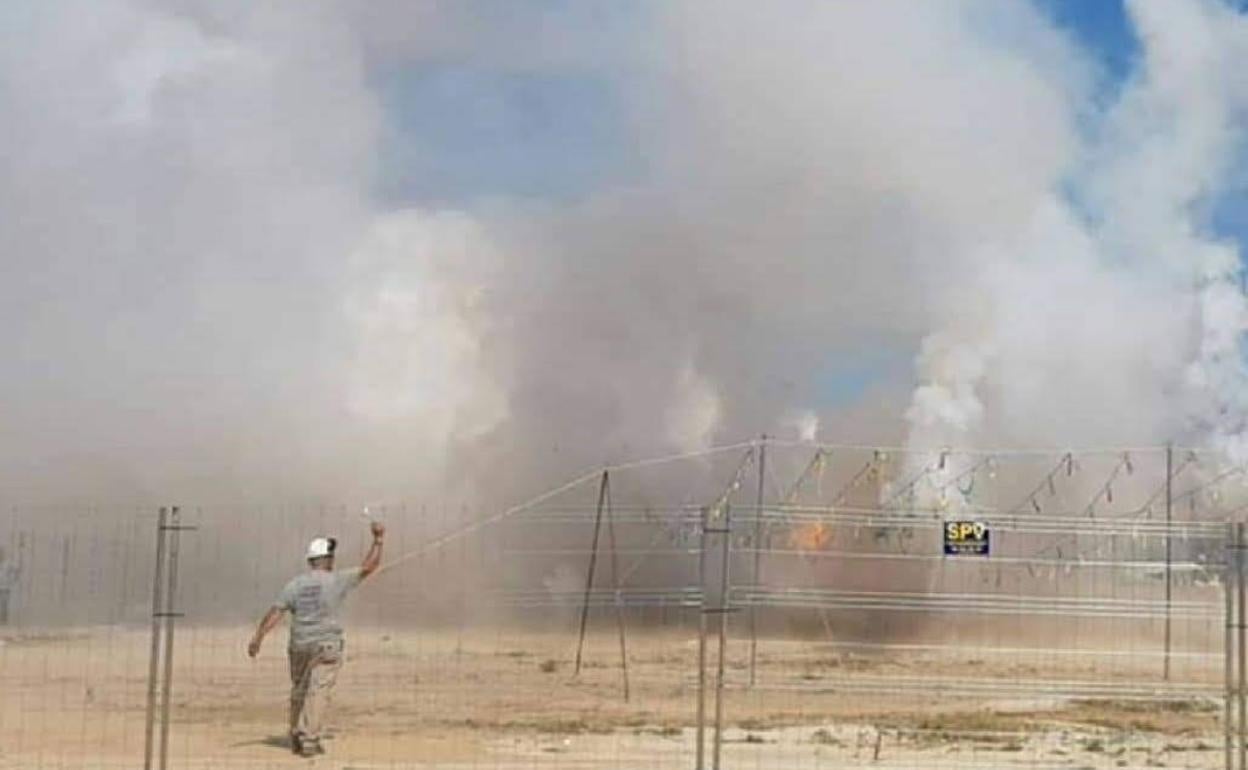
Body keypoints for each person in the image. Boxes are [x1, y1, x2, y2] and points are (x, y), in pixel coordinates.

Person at [248, 520, 385, 757]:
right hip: (327, 645)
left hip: (299, 645)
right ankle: (309, 739)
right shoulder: (337, 579)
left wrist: (258, 638)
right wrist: (378, 540)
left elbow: (275, 612)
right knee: (318, 691)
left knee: (299, 689)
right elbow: (369, 566)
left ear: (311, 560)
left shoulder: (295, 584)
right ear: (327, 559)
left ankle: (294, 731)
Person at [0, 546, 19, 626]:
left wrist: (12, 580)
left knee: (4, 604)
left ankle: (3, 620)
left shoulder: (8, 563)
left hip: (5, 587)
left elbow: (16, 570)